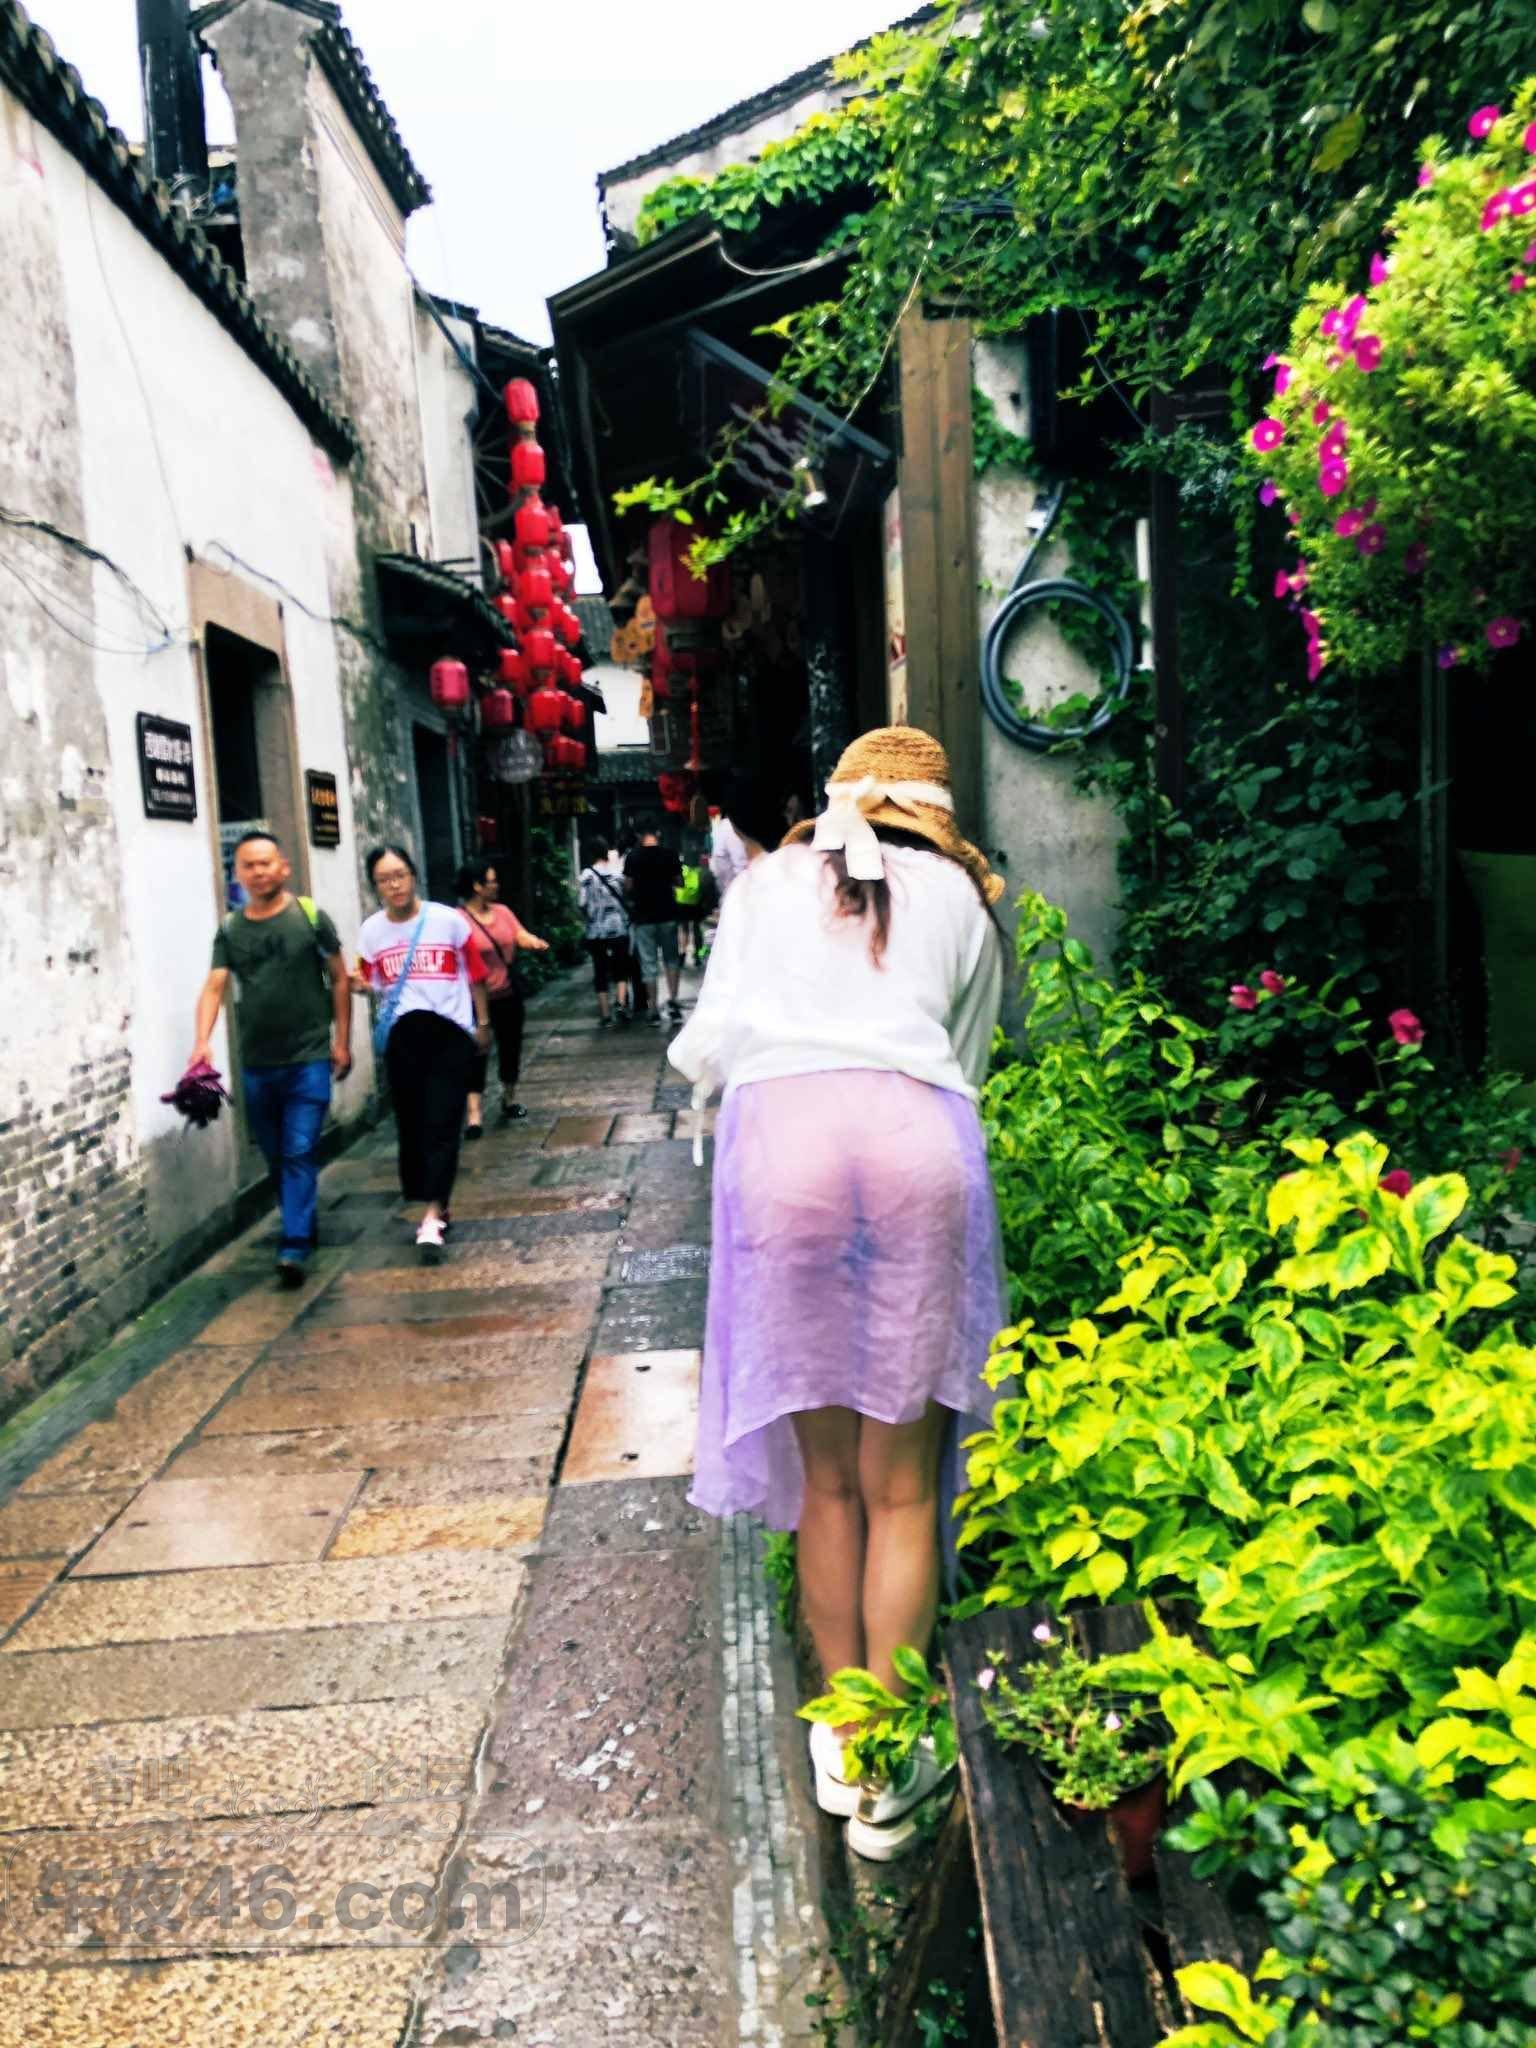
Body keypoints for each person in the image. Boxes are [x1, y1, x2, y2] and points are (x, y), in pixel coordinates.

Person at [669, 728, 1006, 1862]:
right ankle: (896, 1768)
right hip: (915, 1138)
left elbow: (715, 1044)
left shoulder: (763, 884)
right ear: (936, 818)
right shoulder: (965, 900)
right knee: (902, 1486)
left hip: (785, 1144)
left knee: (827, 1483)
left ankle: (844, 1738)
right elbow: (966, 1063)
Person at [191, 831, 352, 1289]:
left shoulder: (311, 917)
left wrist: (341, 1040)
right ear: (238, 874)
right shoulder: (230, 930)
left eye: (266, 863)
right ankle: (302, 1218)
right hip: (257, 1063)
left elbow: (339, 978)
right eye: (249, 865)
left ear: (284, 867)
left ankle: (293, 1244)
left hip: (309, 1057)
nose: (259, 872)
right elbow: (215, 985)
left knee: (299, 1148)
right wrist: (202, 1041)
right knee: (277, 1154)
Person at [357, 846, 490, 1264]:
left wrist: (483, 1023)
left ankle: (432, 1215)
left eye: (399, 875)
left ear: (413, 875)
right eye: (384, 879)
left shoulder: (448, 921)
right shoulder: (372, 932)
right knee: (413, 1125)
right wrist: (356, 983)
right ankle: (436, 1199)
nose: (394, 885)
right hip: (403, 1037)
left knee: (443, 1120)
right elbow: (369, 979)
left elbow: (477, 974)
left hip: (449, 1033)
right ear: (376, 886)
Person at [456, 859, 549, 1134]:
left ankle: (509, 1098)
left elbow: (519, 934)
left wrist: (533, 942)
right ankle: (474, 1114)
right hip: (472, 999)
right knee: (475, 1053)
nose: (496, 885)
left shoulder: (502, 911)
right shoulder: (457, 919)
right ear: (477, 886)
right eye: (491, 880)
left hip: (507, 993)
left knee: (511, 1047)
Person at [624, 821, 684, 1027]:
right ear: (658, 832)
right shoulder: (670, 854)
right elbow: (679, 882)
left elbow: (628, 886)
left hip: (644, 917)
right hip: (668, 914)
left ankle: (653, 1010)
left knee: (648, 964)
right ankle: (673, 1002)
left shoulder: (633, 857)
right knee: (671, 960)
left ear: (639, 835)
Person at [578, 838, 632, 1026]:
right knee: (621, 968)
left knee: (600, 970)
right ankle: (621, 1002)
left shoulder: (587, 875)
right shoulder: (617, 874)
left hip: (597, 931)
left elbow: (582, 903)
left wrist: (589, 916)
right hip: (618, 928)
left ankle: (605, 1015)